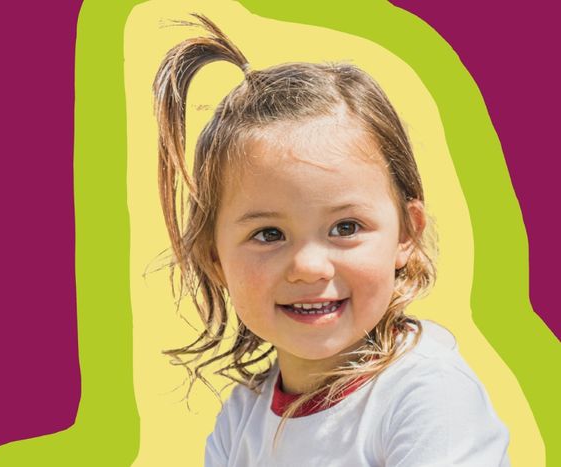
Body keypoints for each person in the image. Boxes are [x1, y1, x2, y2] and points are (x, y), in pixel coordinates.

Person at [152, 14, 510, 466]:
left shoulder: (427, 395)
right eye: (268, 234)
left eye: (345, 228)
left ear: (407, 233)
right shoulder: (242, 418)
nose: (309, 266)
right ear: (215, 260)